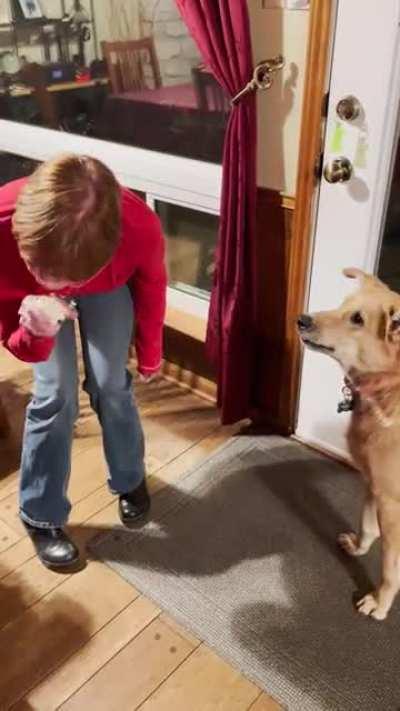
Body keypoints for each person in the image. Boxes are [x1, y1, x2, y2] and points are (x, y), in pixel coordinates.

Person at [0, 153, 167, 570]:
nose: (59, 287)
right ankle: (41, 513)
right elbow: (16, 343)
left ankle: (130, 478)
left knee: (112, 384)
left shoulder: (140, 226)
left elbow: (152, 286)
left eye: (68, 281)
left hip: (105, 281)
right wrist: (36, 330)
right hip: (26, 295)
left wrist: (150, 351)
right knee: (55, 393)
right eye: (45, 271)